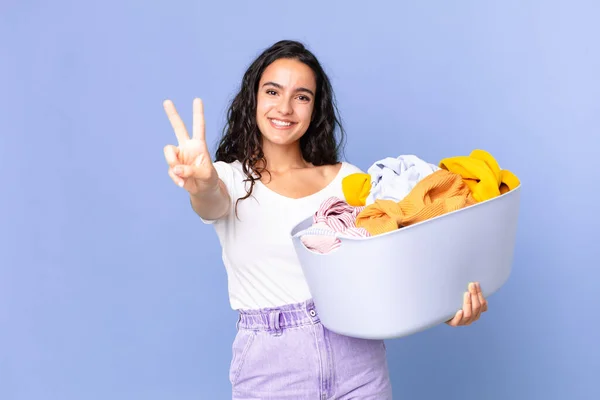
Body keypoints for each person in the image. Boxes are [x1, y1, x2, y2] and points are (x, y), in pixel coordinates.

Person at [162, 40, 488, 399]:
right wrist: (203, 184)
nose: (285, 107)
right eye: (273, 91)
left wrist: (445, 306)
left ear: (315, 108)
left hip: (358, 362)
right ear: (253, 98)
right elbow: (210, 203)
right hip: (272, 367)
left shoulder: (349, 180)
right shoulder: (227, 179)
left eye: (301, 96)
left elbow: (389, 267)